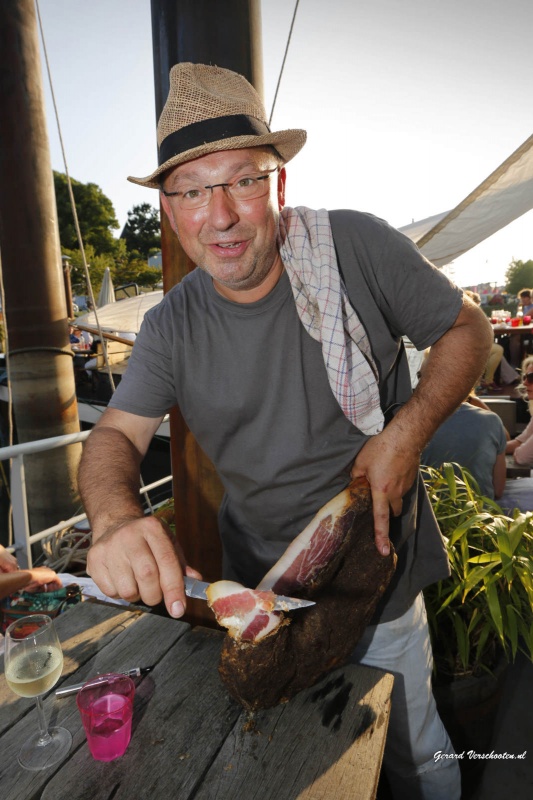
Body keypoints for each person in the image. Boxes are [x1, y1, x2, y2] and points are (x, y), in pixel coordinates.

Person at [78, 63, 492, 799]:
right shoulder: (169, 327)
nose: (220, 215)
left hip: (378, 573)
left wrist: (406, 431)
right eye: (191, 191)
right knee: (297, 760)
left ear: (278, 186)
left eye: (240, 180)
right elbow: (112, 437)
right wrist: (114, 516)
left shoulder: (356, 248)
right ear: (170, 210)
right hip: (263, 590)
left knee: (415, 748)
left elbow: (467, 326)